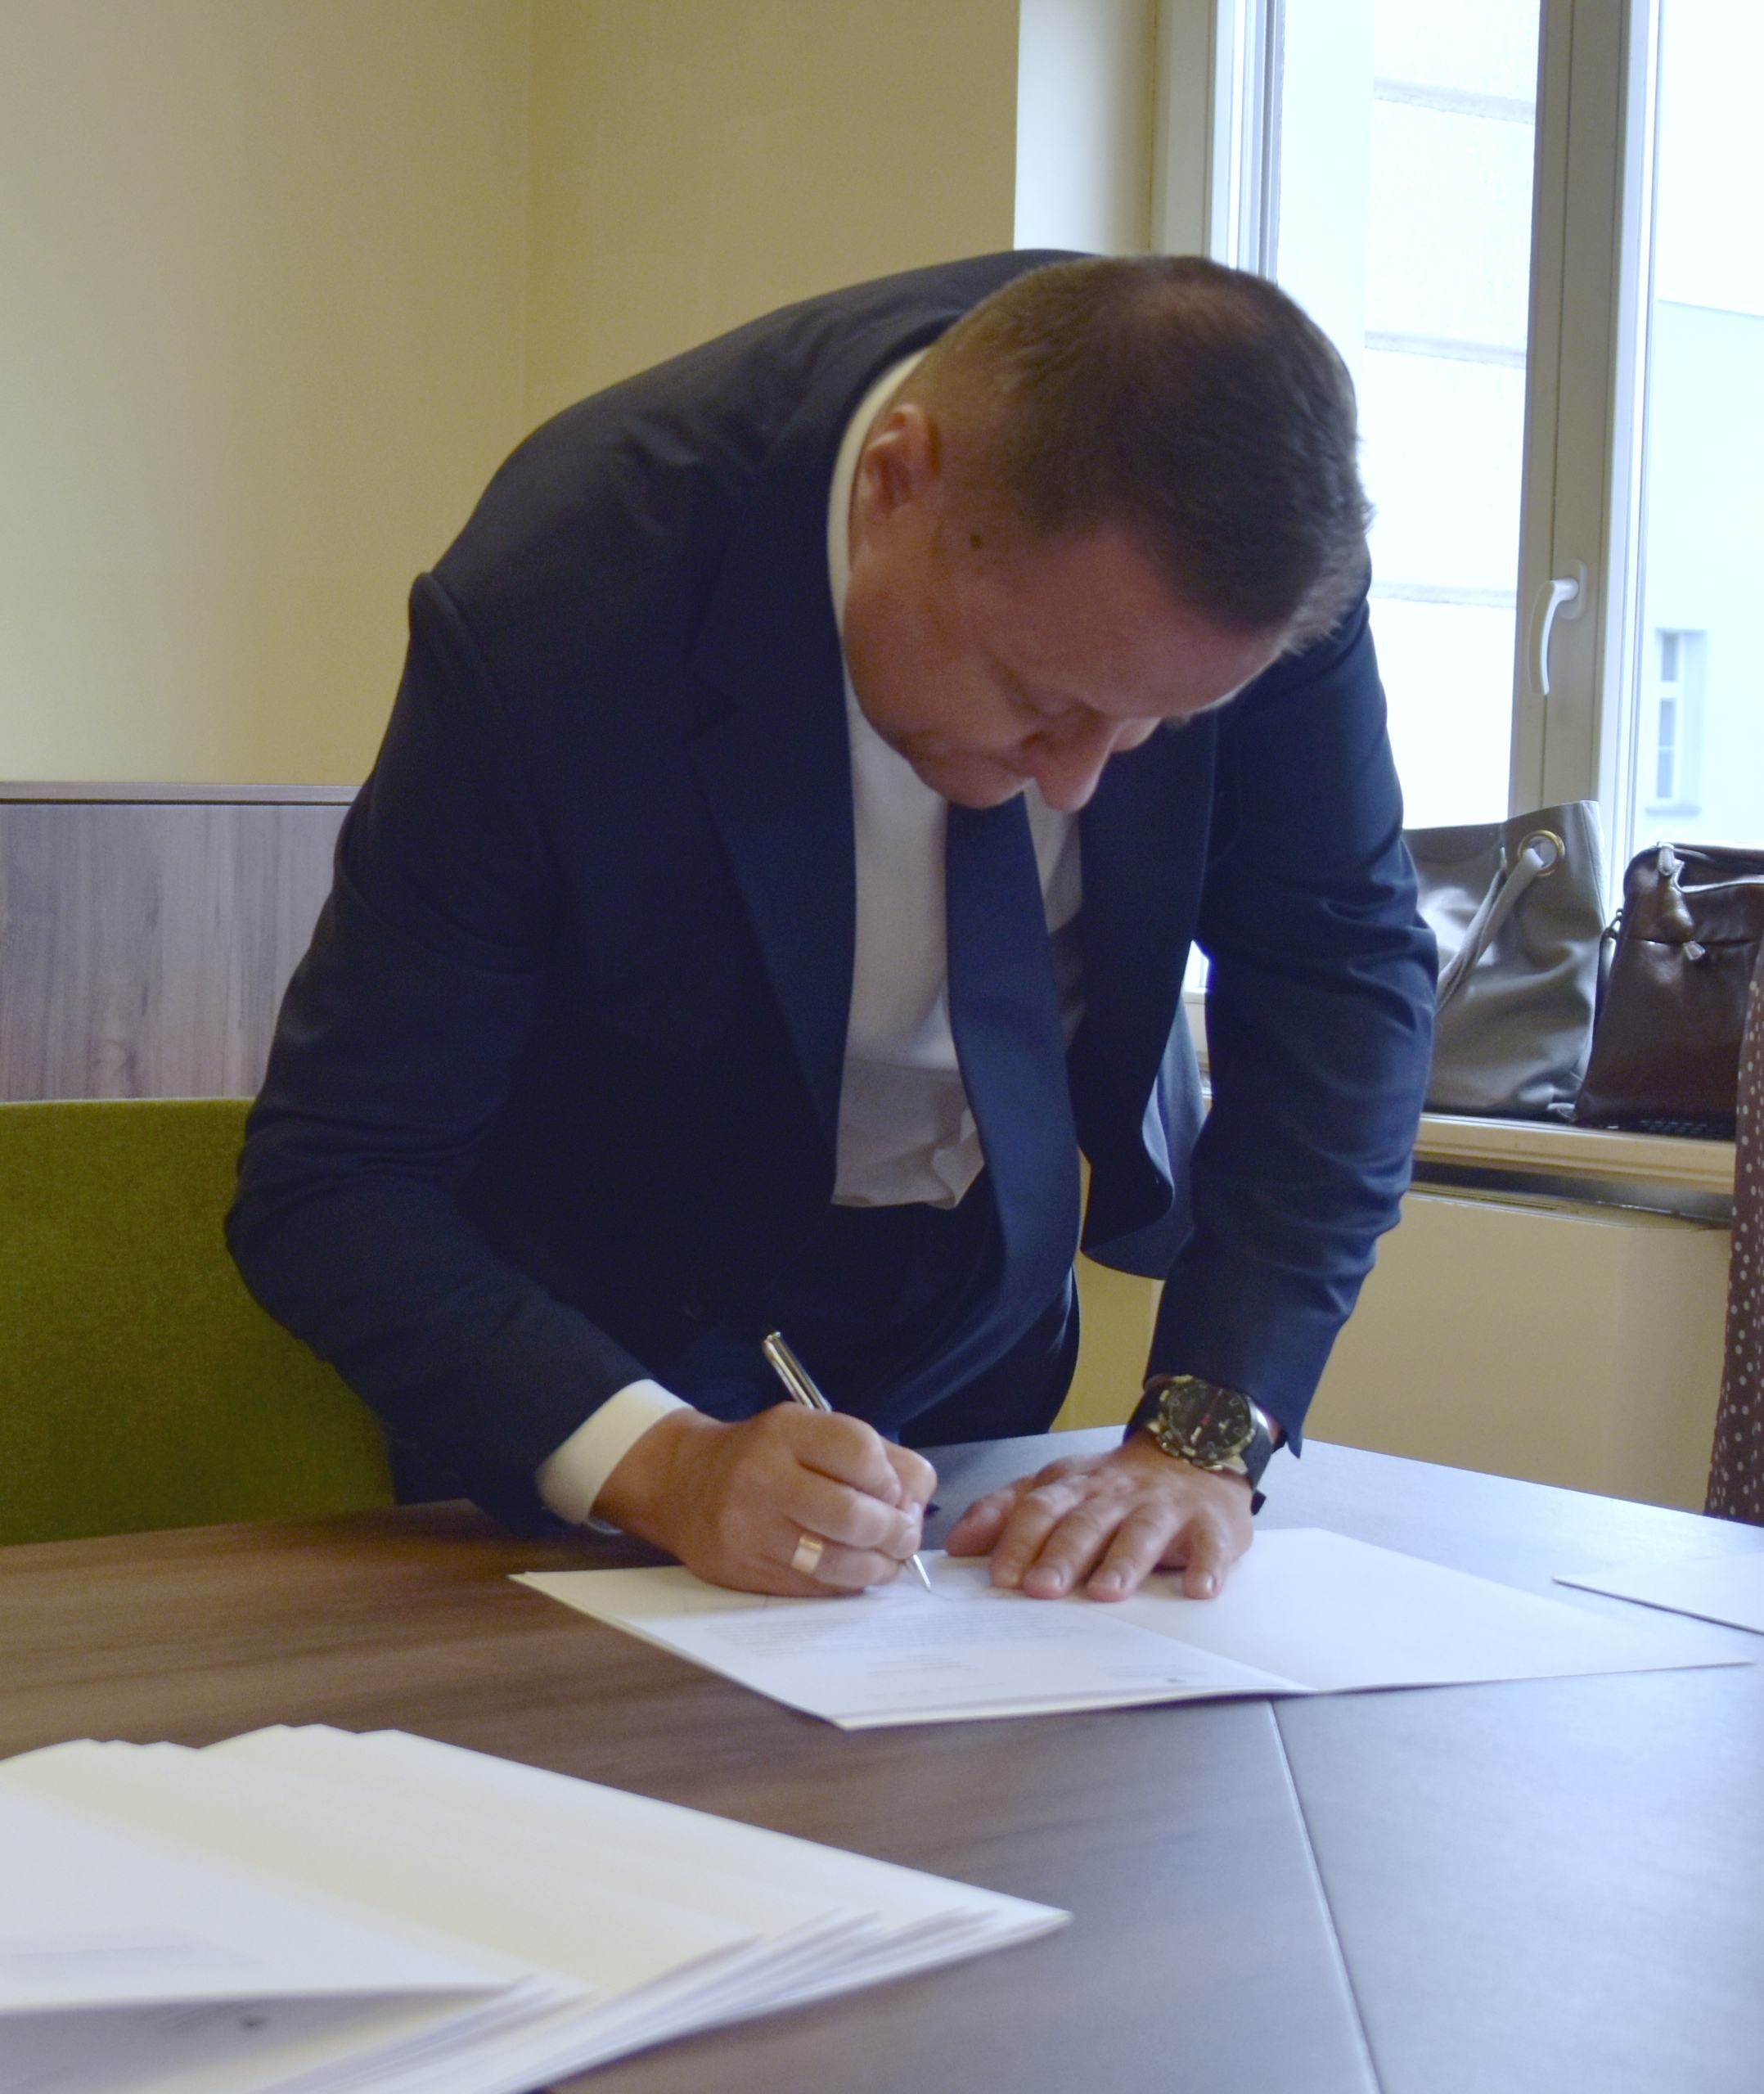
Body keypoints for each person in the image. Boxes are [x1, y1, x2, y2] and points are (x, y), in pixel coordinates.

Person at [228, 250, 1434, 1608]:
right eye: (1042, 700)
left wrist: (1201, 1436)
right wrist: (666, 1464)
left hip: (982, 1308)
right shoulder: (562, 605)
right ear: (895, 486)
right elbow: (337, 1176)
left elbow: (1342, 981)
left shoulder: (1231, 555)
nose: (1080, 785)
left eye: (1153, 726)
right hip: (597, 1328)